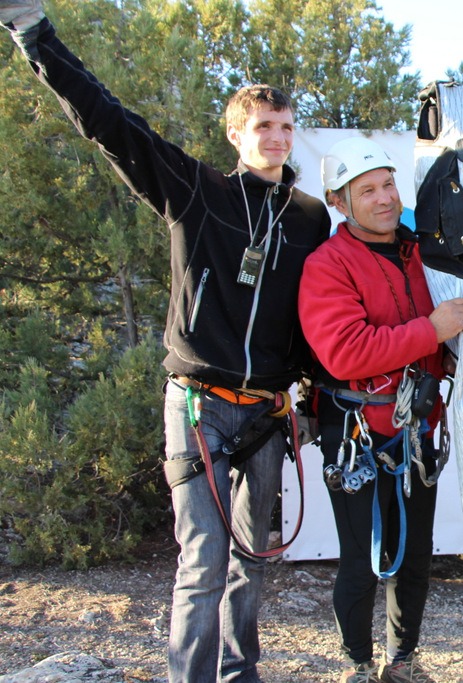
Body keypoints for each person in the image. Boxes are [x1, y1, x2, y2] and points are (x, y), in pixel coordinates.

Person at [1, 2, 332, 681]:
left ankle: (241, 672)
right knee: (204, 558)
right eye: (263, 126)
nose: (276, 136)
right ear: (238, 134)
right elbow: (109, 124)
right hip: (199, 406)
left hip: (267, 414)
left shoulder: (310, 217)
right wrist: (35, 36)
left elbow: (316, 312)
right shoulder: (197, 189)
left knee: (253, 560)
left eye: (286, 127)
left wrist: (312, 393)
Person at [298, 137, 463, 683]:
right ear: (338, 202)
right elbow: (345, 351)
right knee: (360, 557)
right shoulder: (328, 265)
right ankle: (357, 663)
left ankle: (403, 660)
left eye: (389, 185)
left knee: (414, 551)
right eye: (367, 190)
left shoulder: (424, 252)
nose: (384, 199)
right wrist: (433, 330)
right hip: (355, 427)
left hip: (416, 424)